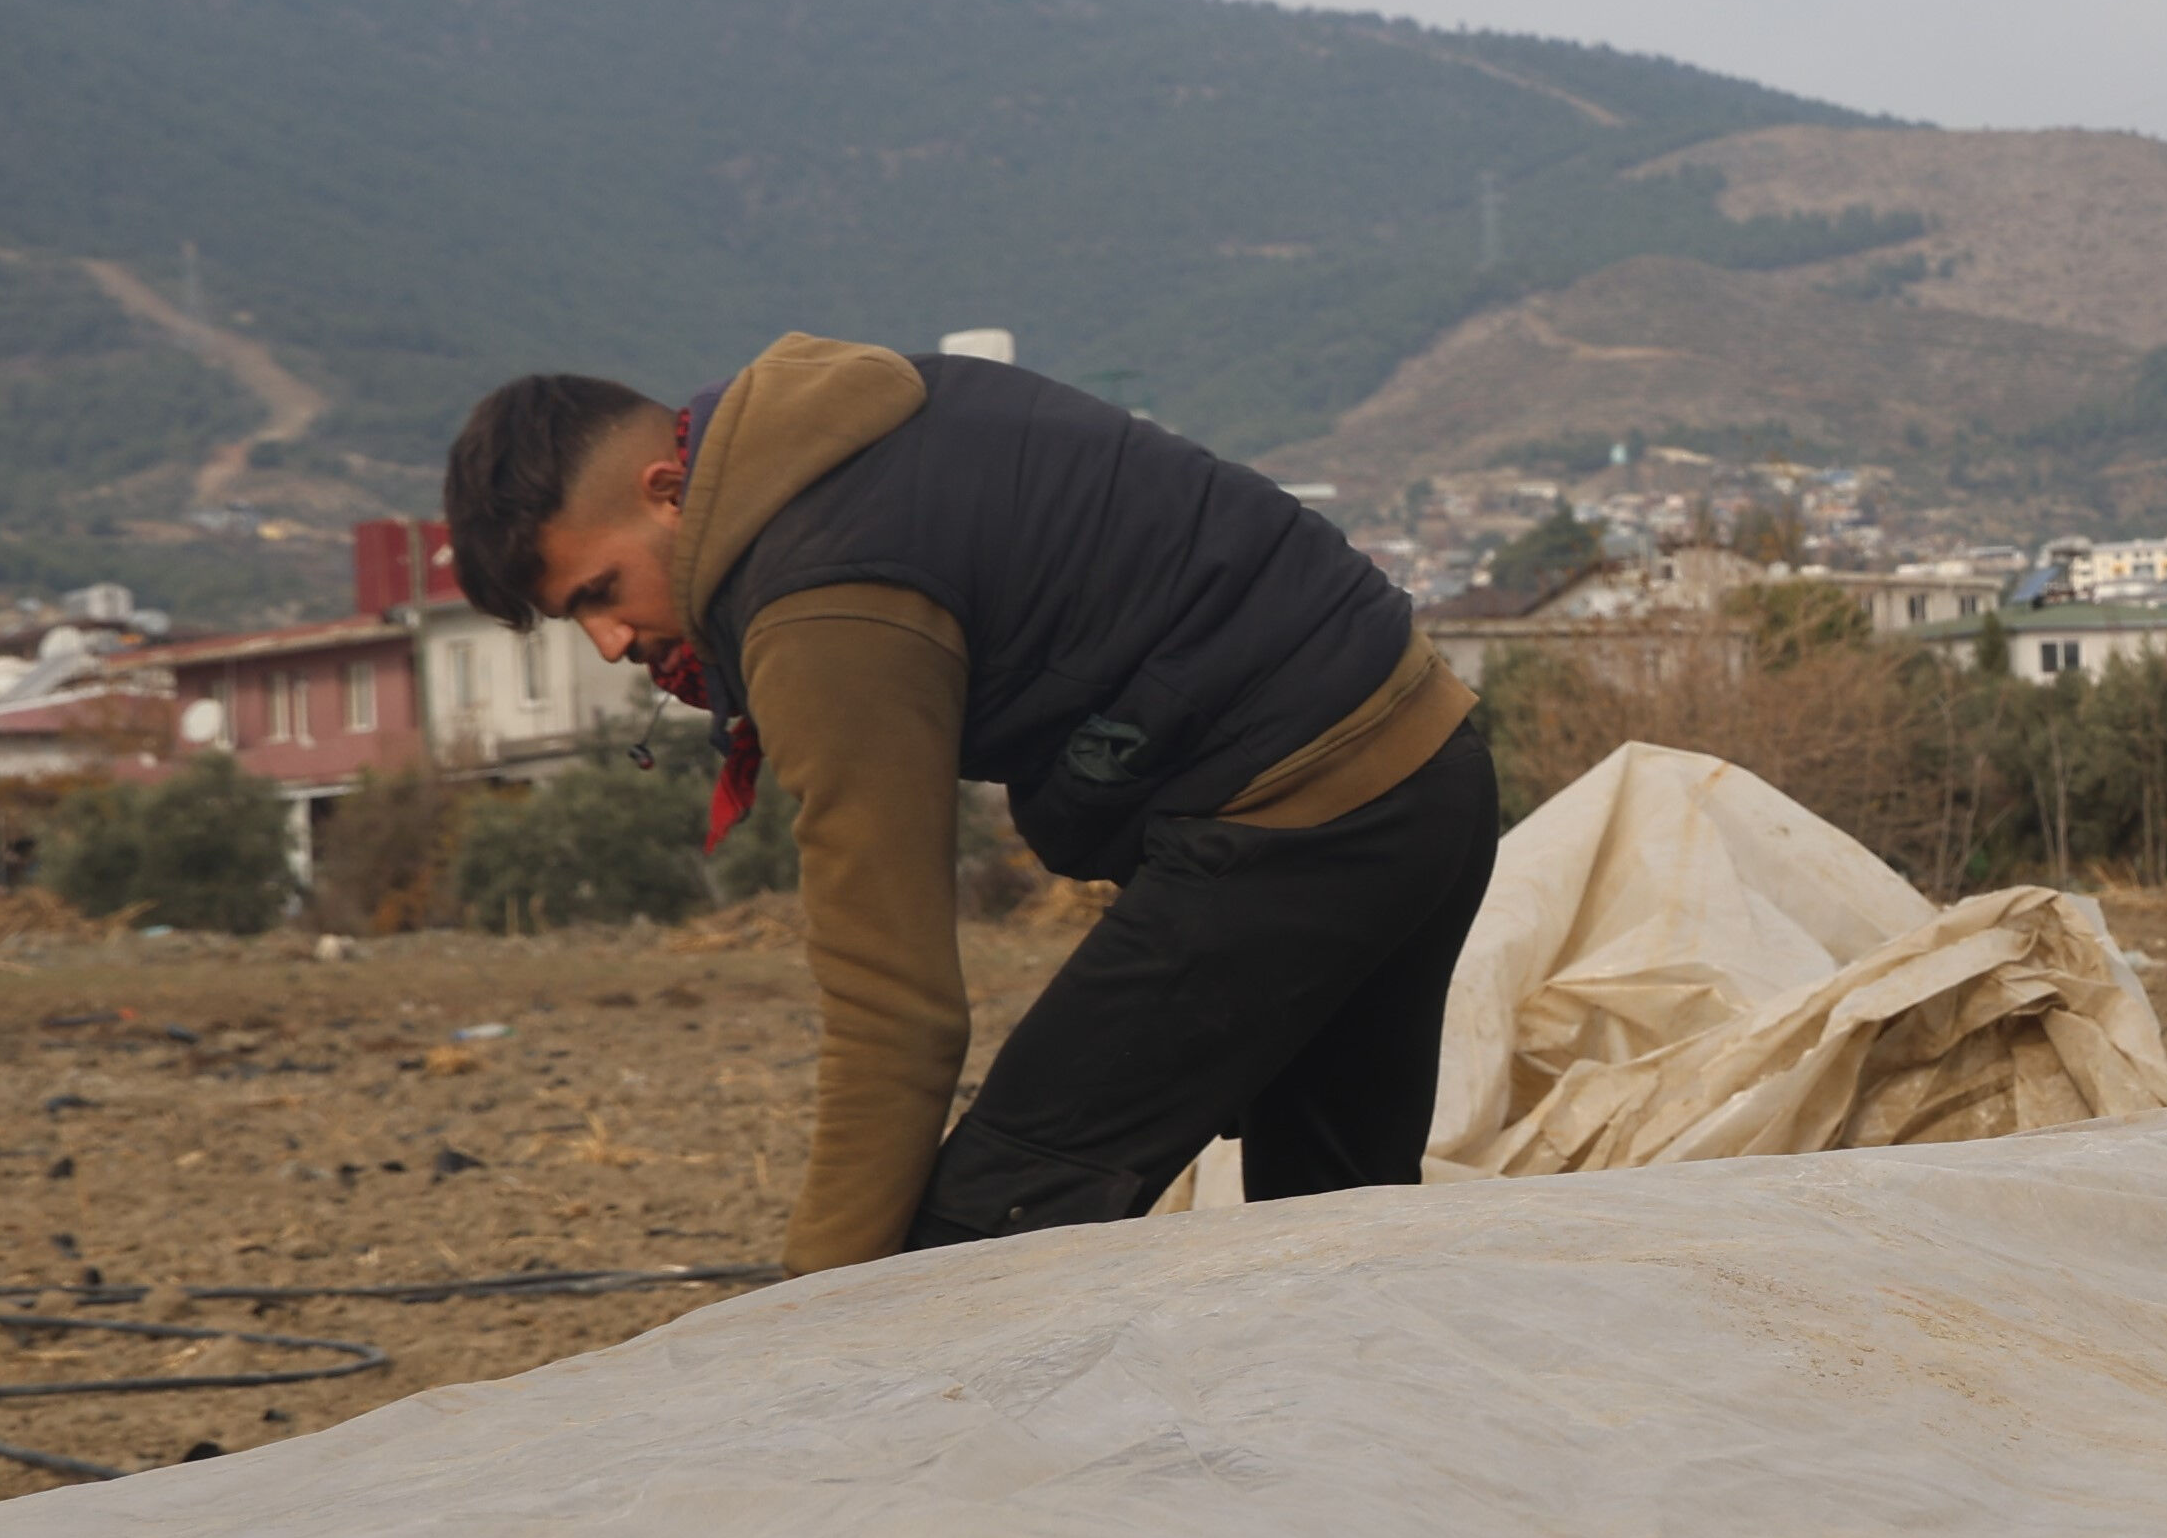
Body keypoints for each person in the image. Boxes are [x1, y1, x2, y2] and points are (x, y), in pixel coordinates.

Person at [441, 336, 1493, 1270]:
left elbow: (894, 1004)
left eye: (600, 592)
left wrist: (820, 1304)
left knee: (975, 1254)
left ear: (669, 490)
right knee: (1335, 1243)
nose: (610, 643)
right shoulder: (861, 420)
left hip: (1305, 812)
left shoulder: (821, 602)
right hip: (1430, 759)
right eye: (573, 618)